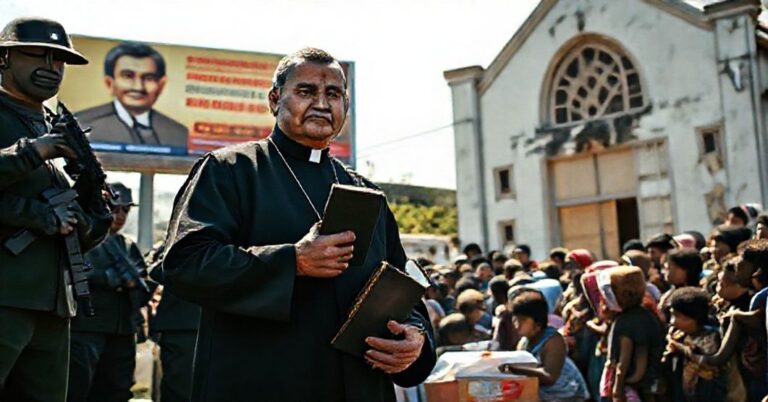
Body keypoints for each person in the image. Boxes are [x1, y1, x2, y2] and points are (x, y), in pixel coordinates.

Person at [160, 48, 435, 402]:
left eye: (333, 94)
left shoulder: (369, 194)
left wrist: (415, 335)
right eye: (306, 91)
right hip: (262, 383)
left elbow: (401, 285)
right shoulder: (230, 170)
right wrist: (292, 261)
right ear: (275, 100)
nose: (322, 103)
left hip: (359, 387)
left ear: (345, 107)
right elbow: (185, 264)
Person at [0, 17, 112, 401]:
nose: (50, 68)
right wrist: (35, 152)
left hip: (53, 306)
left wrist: (88, 212)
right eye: (36, 55)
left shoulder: (59, 127)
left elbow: (94, 228)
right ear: (4, 59)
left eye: (59, 60)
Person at [67, 183, 151, 402]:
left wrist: (135, 284)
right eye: (115, 208)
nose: (120, 215)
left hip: (121, 329)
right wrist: (106, 279)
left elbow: (144, 287)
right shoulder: (82, 238)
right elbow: (70, 275)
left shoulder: (127, 246)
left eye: (125, 209)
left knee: (118, 390)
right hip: (87, 327)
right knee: (78, 388)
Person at [77, 42, 188, 149]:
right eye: (128, 76)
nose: (138, 87)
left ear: (161, 85)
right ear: (110, 83)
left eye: (149, 78)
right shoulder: (82, 124)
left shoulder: (179, 133)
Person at [501, 293, 589, 402]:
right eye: (515, 319)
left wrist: (514, 369)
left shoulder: (553, 340)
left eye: (522, 320)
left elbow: (549, 376)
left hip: (568, 396)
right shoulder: (524, 342)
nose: (517, 324)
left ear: (538, 322)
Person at [147, 242, 202, 402]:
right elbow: (153, 271)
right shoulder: (173, 243)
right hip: (182, 326)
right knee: (180, 387)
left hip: (207, 325)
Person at [664, 287, 727, 402]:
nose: (672, 322)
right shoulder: (680, 335)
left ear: (695, 318)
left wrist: (680, 348)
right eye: (672, 315)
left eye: (678, 316)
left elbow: (707, 364)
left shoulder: (710, 337)